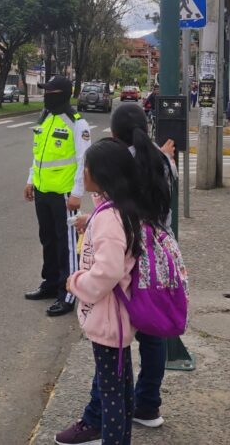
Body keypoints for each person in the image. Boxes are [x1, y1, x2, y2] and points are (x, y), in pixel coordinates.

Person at [67, 104, 175, 440]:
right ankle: (147, 404)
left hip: (128, 274)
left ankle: (96, 419)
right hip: (154, 263)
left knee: (112, 368)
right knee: (147, 340)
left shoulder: (121, 170)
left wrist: (78, 282)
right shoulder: (161, 159)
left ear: (114, 135)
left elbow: (111, 262)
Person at [56, 138, 160, 445]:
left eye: (86, 167)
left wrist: (76, 283)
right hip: (115, 319)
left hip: (107, 320)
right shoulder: (118, 210)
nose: (83, 172)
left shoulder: (109, 218)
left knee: (112, 395)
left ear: (102, 174)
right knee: (120, 389)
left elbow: (108, 271)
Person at [23, 75, 91, 317]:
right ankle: (50, 283)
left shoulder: (77, 123)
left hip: (64, 193)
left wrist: (77, 193)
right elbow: (38, 154)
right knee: (48, 239)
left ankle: (68, 293)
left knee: (67, 245)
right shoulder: (45, 118)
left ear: (62, 95)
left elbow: (84, 160)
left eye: (50, 93)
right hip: (43, 190)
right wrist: (31, 179)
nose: (46, 96)